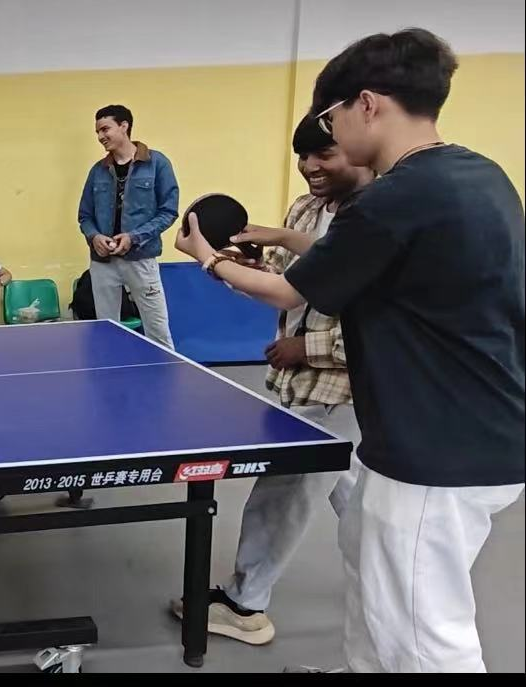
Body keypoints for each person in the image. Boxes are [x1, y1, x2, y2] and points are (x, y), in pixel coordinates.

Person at [174, 28, 524, 672]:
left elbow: (285, 293)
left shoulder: (396, 195)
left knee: (426, 636)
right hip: (475, 430)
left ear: (366, 104)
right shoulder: (478, 175)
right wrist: (280, 240)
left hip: (435, 449)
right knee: (379, 599)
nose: (328, 133)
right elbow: (358, 260)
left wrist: (207, 258)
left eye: (330, 116)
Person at [169, 114, 373, 645]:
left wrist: (306, 345)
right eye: (302, 156)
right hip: (293, 385)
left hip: (337, 388)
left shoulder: (377, 220)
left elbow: (384, 324)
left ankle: (245, 605)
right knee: (347, 490)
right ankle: (390, 575)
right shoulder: (306, 209)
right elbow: (282, 285)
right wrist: (239, 264)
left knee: (282, 494)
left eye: (323, 155)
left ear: (357, 145)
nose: (310, 168)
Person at [77, 104, 178, 348]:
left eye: (105, 129)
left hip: (142, 260)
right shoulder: (97, 171)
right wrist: (95, 237)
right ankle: (112, 382)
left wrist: (134, 237)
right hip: (103, 264)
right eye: (98, 132)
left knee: (157, 330)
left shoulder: (157, 164)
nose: (101, 137)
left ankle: (164, 380)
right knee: (107, 332)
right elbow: (84, 216)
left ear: (124, 126)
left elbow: (168, 211)